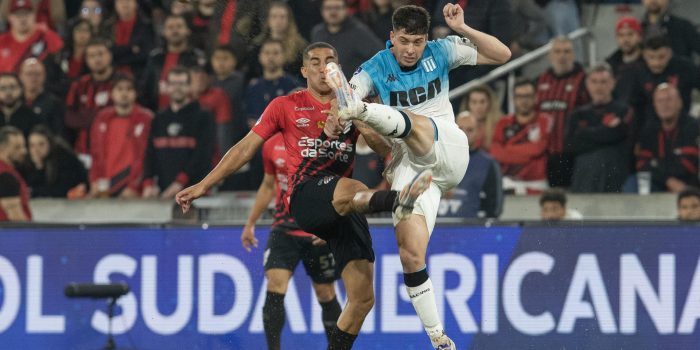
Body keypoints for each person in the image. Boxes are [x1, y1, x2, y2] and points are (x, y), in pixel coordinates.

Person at [176, 42, 432, 350]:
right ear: (304, 71)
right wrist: (204, 184)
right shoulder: (285, 105)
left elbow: (386, 151)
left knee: (363, 299)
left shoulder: (356, 104)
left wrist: (359, 117)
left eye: (330, 61)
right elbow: (245, 148)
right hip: (305, 194)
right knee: (353, 188)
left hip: (341, 207)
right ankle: (396, 202)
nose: (324, 68)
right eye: (315, 62)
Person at [329, 4, 510, 348]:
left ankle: (364, 110)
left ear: (427, 39)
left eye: (417, 42)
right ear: (391, 38)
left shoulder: (441, 51)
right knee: (410, 253)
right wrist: (341, 114)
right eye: (404, 41)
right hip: (413, 172)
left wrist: (464, 28)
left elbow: (502, 54)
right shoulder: (375, 67)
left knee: (409, 122)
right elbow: (346, 95)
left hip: (447, 147)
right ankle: (438, 337)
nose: (411, 50)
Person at [241, 132, 342, 349]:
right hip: (283, 230)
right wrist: (250, 222)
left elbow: (337, 186)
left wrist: (330, 224)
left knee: (326, 292)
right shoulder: (271, 144)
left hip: (317, 230)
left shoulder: (323, 142)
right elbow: (268, 185)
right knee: (275, 284)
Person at [142, 66, 214, 200]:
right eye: (173, 84)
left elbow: (203, 155)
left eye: (182, 84)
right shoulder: (158, 118)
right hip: (163, 193)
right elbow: (150, 153)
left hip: (194, 192)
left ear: (189, 87)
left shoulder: (203, 116)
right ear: (166, 87)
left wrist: (180, 182)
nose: (177, 88)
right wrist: (148, 183)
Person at [565, 63, 631, 193]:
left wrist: (585, 133)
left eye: (603, 82)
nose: (599, 87)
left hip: (614, 172)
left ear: (612, 83)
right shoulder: (578, 114)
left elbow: (620, 136)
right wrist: (606, 132)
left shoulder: (623, 110)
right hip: (584, 174)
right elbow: (571, 145)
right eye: (594, 82)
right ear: (587, 84)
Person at [536, 36, 589, 188]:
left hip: (571, 152)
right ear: (550, 55)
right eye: (557, 51)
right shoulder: (541, 80)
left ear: (573, 55)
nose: (562, 56)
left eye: (567, 51)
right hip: (544, 152)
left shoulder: (583, 80)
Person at [90, 74, 152, 198]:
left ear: (135, 93)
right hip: (104, 185)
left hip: (131, 188)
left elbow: (147, 157)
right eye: (119, 89)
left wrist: (134, 186)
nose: (124, 93)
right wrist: (94, 180)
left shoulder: (146, 119)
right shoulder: (101, 118)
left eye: (129, 89)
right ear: (111, 93)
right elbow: (95, 152)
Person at [624, 36, 700, 133]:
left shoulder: (685, 68)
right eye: (651, 57)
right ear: (644, 55)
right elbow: (635, 106)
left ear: (669, 54)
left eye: (661, 57)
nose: (656, 63)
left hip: (684, 127)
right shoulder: (638, 72)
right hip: (651, 130)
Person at [634, 83, 699, 193]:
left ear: (679, 103)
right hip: (659, 183)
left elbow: (690, 163)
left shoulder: (694, 127)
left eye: (669, 100)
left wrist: (657, 165)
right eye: (660, 101)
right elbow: (642, 165)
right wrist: (668, 180)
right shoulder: (649, 131)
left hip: (689, 184)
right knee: (634, 183)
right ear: (654, 105)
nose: (664, 104)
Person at [490, 79, 550, 195]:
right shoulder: (504, 122)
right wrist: (528, 155)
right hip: (509, 181)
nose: (524, 101)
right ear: (513, 99)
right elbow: (496, 152)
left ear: (535, 97)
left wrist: (508, 148)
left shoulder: (544, 120)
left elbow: (538, 148)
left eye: (528, 96)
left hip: (536, 183)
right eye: (520, 96)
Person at [439, 112, 502, 218]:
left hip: (471, 230)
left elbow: (495, 208)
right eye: (460, 129)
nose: (464, 133)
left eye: (470, 130)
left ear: (478, 132)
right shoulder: (436, 159)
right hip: (434, 228)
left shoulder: (488, 164)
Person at [140, 13, 206, 111]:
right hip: (158, 115)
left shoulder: (197, 58)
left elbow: (202, 90)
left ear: (187, 30)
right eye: (170, 27)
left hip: (189, 115)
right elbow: (146, 89)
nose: (175, 30)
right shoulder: (155, 58)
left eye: (179, 26)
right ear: (164, 32)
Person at [64, 38, 115, 157]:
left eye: (100, 54)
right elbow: (69, 116)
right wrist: (98, 117)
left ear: (109, 56)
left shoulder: (121, 83)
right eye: (92, 56)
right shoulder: (79, 85)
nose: (97, 59)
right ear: (86, 60)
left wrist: (87, 116)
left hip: (113, 150)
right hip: (84, 152)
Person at [311, 0, 384, 78]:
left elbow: (381, 57)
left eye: (337, 8)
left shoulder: (359, 32)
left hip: (353, 87)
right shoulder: (317, 32)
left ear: (346, 10)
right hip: (324, 85)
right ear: (322, 11)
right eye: (328, 8)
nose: (333, 12)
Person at [244, 39, 301, 127]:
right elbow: (251, 121)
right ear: (260, 56)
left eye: (276, 53)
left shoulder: (294, 86)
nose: (271, 57)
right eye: (267, 53)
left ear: (284, 56)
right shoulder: (253, 88)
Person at [20, 125, 87, 198]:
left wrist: (34, 191)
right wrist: (38, 165)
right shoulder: (28, 159)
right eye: (32, 145)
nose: (36, 149)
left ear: (50, 143)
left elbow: (60, 189)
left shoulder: (63, 157)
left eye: (41, 144)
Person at [249, 1, 308, 80]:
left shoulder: (300, 47)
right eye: (274, 16)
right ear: (268, 20)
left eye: (282, 17)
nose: (278, 21)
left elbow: (304, 74)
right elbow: (252, 74)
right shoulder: (258, 45)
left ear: (289, 20)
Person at [0, 0, 63, 73]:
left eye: (26, 14)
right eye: (18, 14)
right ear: (10, 17)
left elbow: (59, 55)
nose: (22, 19)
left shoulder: (45, 35)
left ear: (34, 15)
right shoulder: (2, 41)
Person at [101, 0, 154, 80]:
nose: (125, 4)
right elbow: (105, 52)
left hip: (138, 76)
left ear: (136, 3)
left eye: (128, 0)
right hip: (109, 77)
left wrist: (116, 54)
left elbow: (144, 54)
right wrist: (130, 49)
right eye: (120, 1)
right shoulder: (106, 27)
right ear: (115, 4)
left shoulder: (147, 26)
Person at [19, 58, 64, 138]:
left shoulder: (54, 103)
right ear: (21, 76)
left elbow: (58, 133)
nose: (33, 78)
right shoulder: (15, 102)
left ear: (44, 76)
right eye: (29, 74)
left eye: (37, 74)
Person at [0, 126, 31, 221]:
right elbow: (16, 220)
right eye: (17, 147)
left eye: (23, 146)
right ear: (2, 147)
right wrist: (31, 235)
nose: (23, 151)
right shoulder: (6, 177)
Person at [0, 72, 45, 137]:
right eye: (3, 88)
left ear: (21, 89)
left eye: (12, 87)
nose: (8, 93)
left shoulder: (32, 117)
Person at [458, 85, 502, 150]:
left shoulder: (499, 125)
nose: (478, 107)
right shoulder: (458, 126)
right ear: (468, 104)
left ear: (490, 103)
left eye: (482, 102)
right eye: (474, 102)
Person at [606, 17, 644, 81]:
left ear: (640, 37)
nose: (625, 39)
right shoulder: (611, 64)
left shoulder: (650, 61)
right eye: (621, 35)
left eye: (630, 34)